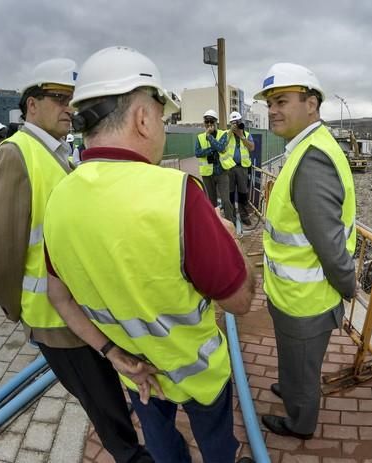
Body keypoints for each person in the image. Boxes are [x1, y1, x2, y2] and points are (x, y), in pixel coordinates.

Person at [42, 46, 255, 463]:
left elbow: (58, 296)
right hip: (198, 375)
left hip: (136, 370)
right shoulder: (176, 196)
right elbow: (241, 301)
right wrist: (230, 239)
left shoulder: (59, 198)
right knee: (216, 444)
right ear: (143, 117)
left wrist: (111, 352)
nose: (161, 126)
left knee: (160, 445)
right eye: (161, 116)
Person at [0, 58, 151, 463]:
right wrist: (16, 309)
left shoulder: (57, 153)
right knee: (104, 407)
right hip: (54, 320)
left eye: (72, 99)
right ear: (30, 104)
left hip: (78, 311)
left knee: (109, 392)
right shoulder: (15, 155)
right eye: (58, 97)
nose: (68, 107)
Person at [254, 63, 357, 440]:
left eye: (281, 100)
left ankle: (300, 421)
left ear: (311, 104)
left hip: (306, 301)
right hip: (292, 295)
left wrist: (348, 286)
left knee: (303, 367)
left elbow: (330, 246)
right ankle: (292, 383)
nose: (273, 110)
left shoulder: (313, 160)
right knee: (294, 361)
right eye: (270, 103)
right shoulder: (305, 149)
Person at [195, 109, 235, 222]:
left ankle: (230, 225)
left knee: (226, 201)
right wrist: (212, 149)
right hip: (208, 174)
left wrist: (210, 137)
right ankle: (215, 225)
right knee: (211, 202)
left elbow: (221, 148)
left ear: (216, 122)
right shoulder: (199, 137)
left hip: (222, 172)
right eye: (206, 122)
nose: (209, 124)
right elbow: (197, 153)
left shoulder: (223, 134)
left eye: (211, 122)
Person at [226, 111, 255, 226]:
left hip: (242, 167)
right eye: (233, 123)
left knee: (243, 192)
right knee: (230, 192)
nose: (236, 125)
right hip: (230, 167)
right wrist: (230, 132)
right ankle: (232, 215)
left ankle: (244, 215)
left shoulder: (246, 134)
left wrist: (241, 136)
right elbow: (222, 146)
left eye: (237, 122)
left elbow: (252, 147)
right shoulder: (226, 134)